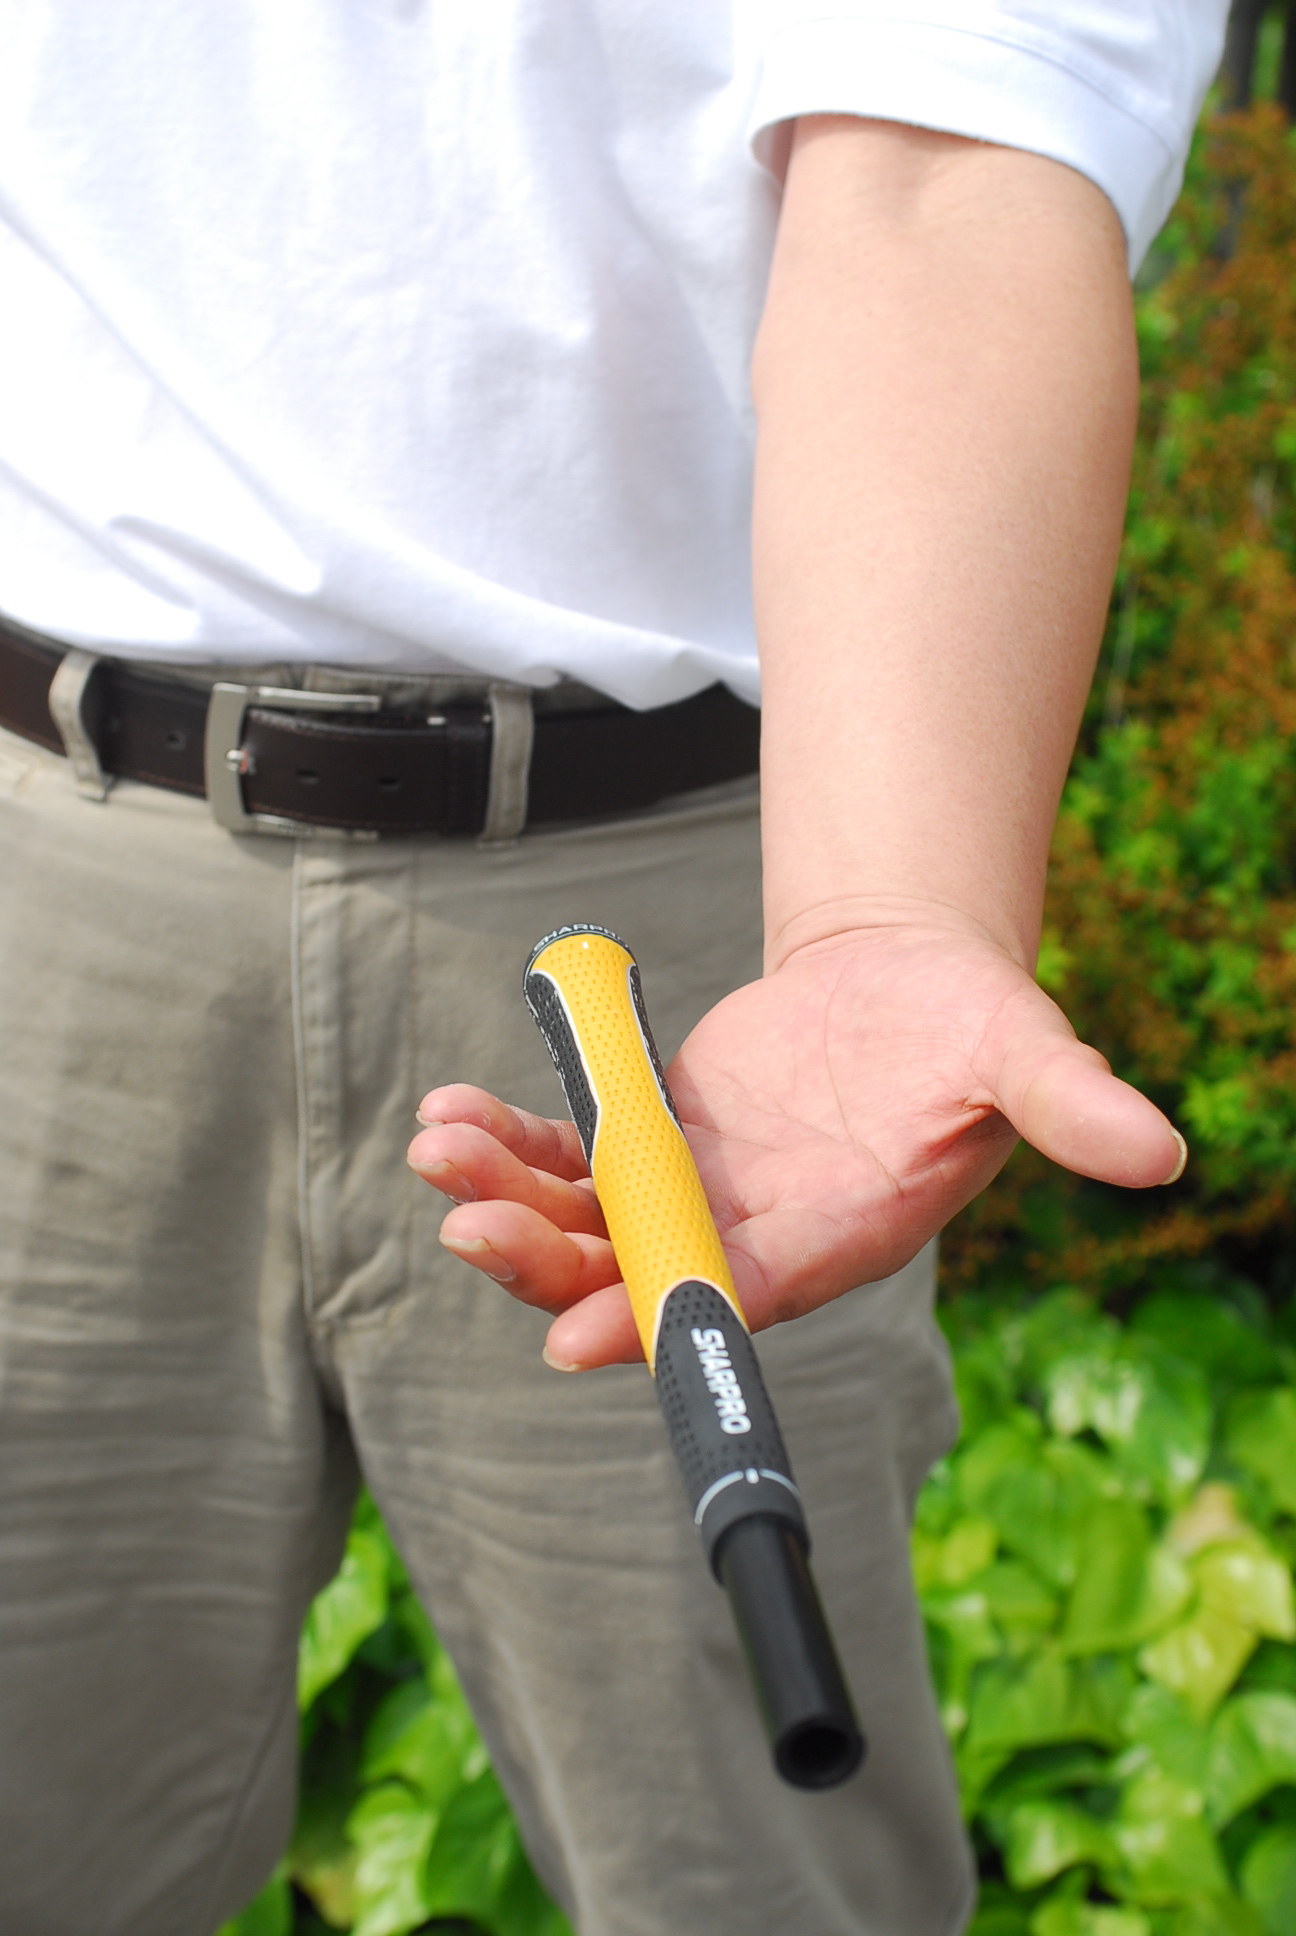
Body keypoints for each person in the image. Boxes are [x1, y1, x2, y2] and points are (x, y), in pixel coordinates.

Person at [0, 5, 1229, 1933]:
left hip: (697, 940)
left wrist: (884, 913)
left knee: (754, 1871)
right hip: (47, 857)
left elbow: (937, 170)